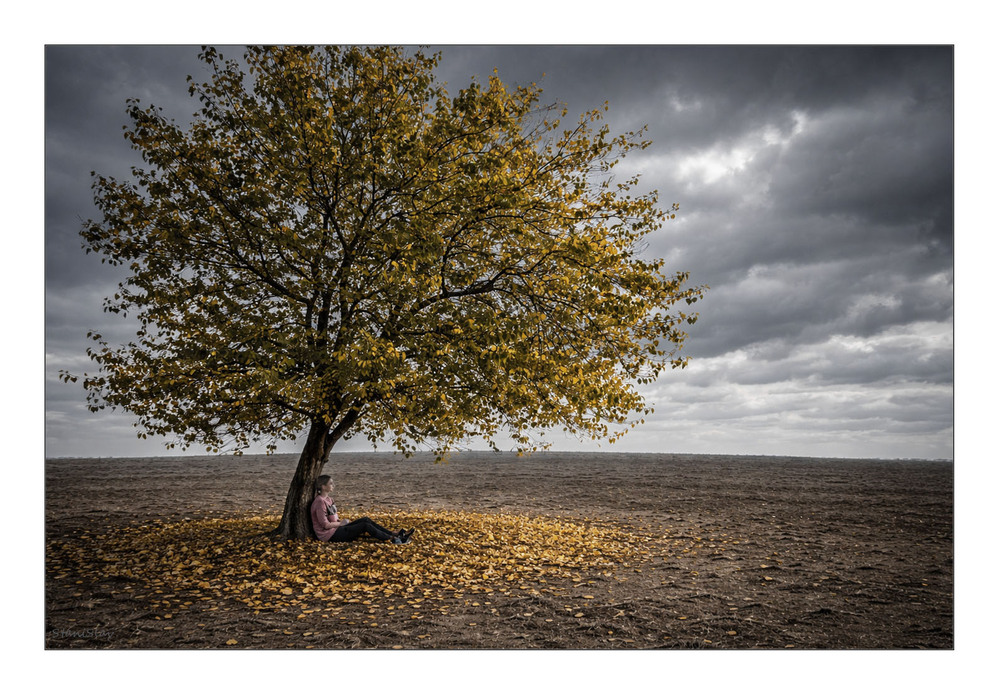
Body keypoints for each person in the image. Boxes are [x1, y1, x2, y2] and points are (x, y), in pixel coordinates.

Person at [311, 475, 414, 544]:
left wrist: (342, 524)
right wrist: (341, 524)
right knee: (365, 526)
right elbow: (325, 525)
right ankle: (393, 540)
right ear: (323, 487)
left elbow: (333, 518)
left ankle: (394, 533)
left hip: (337, 529)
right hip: (330, 535)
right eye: (330, 484)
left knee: (365, 519)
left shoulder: (329, 499)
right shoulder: (320, 502)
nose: (333, 485)